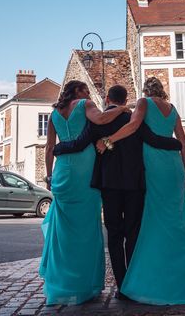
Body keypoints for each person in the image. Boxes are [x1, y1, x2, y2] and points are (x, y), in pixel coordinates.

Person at [98, 77, 185, 305]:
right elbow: (182, 141)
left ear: (146, 90)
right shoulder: (173, 109)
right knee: (178, 220)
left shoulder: (144, 103)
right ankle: (184, 277)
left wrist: (108, 140)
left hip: (154, 165)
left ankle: (156, 276)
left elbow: (133, 126)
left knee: (155, 220)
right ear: (163, 91)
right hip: (174, 166)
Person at [52, 84, 182, 297]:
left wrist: (57, 149)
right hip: (134, 184)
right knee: (133, 233)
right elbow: (154, 140)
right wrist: (178, 146)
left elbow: (79, 144)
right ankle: (133, 281)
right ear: (125, 99)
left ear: (106, 99)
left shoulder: (97, 122)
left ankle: (121, 285)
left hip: (109, 185)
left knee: (114, 234)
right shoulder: (135, 121)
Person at [39, 80, 128, 305]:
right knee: (87, 228)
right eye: (86, 90)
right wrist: (123, 108)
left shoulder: (54, 115)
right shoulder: (85, 104)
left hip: (62, 174)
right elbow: (102, 118)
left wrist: (49, 176)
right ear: (78, 91)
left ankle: (63, 284)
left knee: (65, 231)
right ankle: (86, 286)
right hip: (85, 171)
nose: (89, 93)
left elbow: (49, 148)